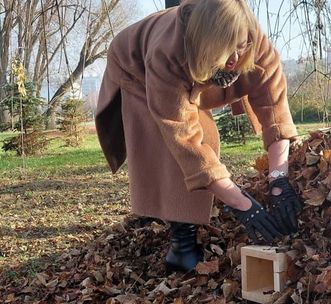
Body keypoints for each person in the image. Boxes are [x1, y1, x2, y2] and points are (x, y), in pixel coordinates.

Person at [95, 0, 303, 273]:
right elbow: (184, 138)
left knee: (206, 136)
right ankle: (182, 245)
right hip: (134, 66)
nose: (233, 60)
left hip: (194, 63)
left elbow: (275, 109)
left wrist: (279, 181)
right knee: (191, 141)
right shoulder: (167, 54)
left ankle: (183, 213)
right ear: (205, 49)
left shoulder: (256, 45)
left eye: (238, 50)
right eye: (224, 55)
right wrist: (243, 205)